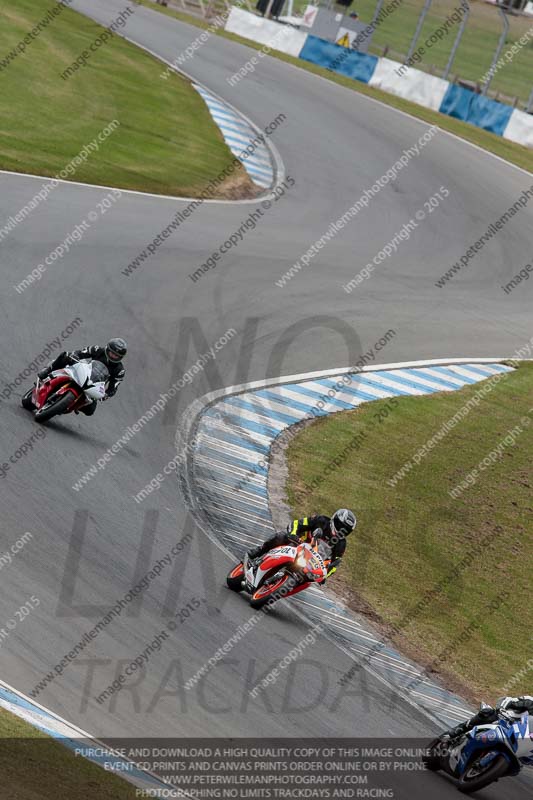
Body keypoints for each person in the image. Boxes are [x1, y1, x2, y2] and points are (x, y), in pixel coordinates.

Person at [247, 508, 357, 582]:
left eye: (346, 530)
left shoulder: (341, 544)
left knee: (307, 580)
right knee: (281, 536)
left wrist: (324, 576)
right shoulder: (321, 520)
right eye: (340, 525)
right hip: (296, 545)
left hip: (310, 563)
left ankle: (278, 587)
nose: (341, 530)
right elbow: (297, 524)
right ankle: (260, 551)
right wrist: (293, 535)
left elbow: (334, 564)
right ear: (334, 519)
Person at [37, 338, 127, 416]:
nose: (114, 356)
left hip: (94, 386)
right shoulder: (97, 350)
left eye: (117, 356)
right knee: (65, 356)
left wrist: (106, 395)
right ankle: (48, 371)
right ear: (108, 349)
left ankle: (74, 405)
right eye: (112, 353)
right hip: (83, 372)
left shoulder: (120, 370)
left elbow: (113, 388)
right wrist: (74, 355)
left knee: (90, 410)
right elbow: (80, 353)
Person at [441, 696, 533, 740]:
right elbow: (507, 700)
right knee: (487, 713)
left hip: (515, 737)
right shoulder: (529, 701)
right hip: (502, 720)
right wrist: (501, 710)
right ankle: (457, 731)